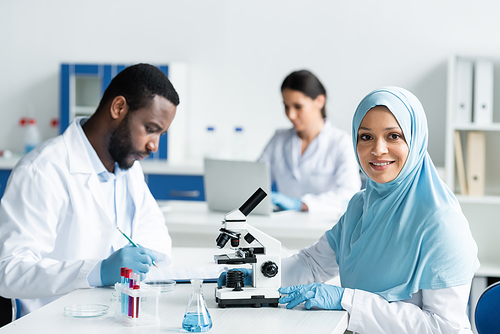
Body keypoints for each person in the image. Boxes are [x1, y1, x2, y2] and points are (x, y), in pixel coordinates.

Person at [221, 87, 479, 333]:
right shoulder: (360, 205)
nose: (378, 150)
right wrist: (256, 277)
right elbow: (313, 264)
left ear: (416, 139)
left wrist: (348, 300)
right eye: (366, 137)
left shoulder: (441, 223)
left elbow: (444, 328)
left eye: (394, 136)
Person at [0, 63, 179, 317]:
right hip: (49, 323)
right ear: (118, 108)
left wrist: (147, 254)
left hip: (112, 317)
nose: (154, 145)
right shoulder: (43, 170)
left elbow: (156, 233)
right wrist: (98, 271)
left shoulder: (129, 168)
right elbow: (9, 270)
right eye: (150, 129)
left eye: (161, 133)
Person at [258, 70, 360, 214]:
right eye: (286, 106)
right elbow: (256, 181)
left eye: (298, 106)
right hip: (281, 223)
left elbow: (349, 195)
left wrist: (301, 204)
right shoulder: (278, 139)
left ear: (320, 101)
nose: (290, 114)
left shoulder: (341, 143)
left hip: (323, 226)